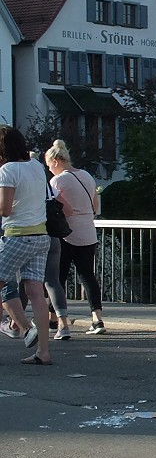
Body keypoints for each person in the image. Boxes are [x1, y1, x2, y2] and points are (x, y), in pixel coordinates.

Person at [0, 126, 54, 365]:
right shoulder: (37, 166)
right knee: (36, 294)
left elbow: (5, 209)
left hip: (17, 235)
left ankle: (22, 328)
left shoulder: (8, 170)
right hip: (41, 236)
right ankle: (43, 352)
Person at [45, 140, 104, 335]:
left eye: (48, 166)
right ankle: (97, 319)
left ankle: (56, 319)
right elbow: (95, 205)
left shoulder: (57, 181)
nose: (49, 170)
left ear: (55, 161)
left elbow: (61, 209)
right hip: (88, 231)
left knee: (57, 277)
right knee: (87, 276)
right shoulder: (86, 175)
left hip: (67, 234)